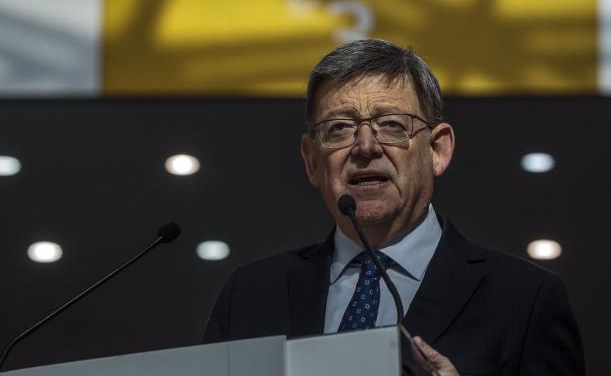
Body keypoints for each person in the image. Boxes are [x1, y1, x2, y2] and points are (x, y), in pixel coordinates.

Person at [204, 39, 585, 375]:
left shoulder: (524, 298)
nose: (365, 147)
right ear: (311, 161)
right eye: (339, 128)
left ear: (438, 150)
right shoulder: (250, 293)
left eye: (391, 125)